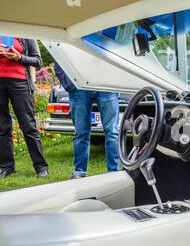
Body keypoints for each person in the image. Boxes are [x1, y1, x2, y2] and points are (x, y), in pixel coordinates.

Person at [54, 62, 120, 179]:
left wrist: (114, 80)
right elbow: (58, 55)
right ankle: (79, 172)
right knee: (81, 132)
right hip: (78, 87)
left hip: (106, 84)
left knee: (112, 132)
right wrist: (69, 84)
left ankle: (114, 172)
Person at [0, 36, 48, 178]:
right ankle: (6, 167)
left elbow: (38, 61)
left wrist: (19, 57)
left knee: (29, 126)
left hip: (20, 83)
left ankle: (41, 167)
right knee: (2, 127)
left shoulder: (24, 33)